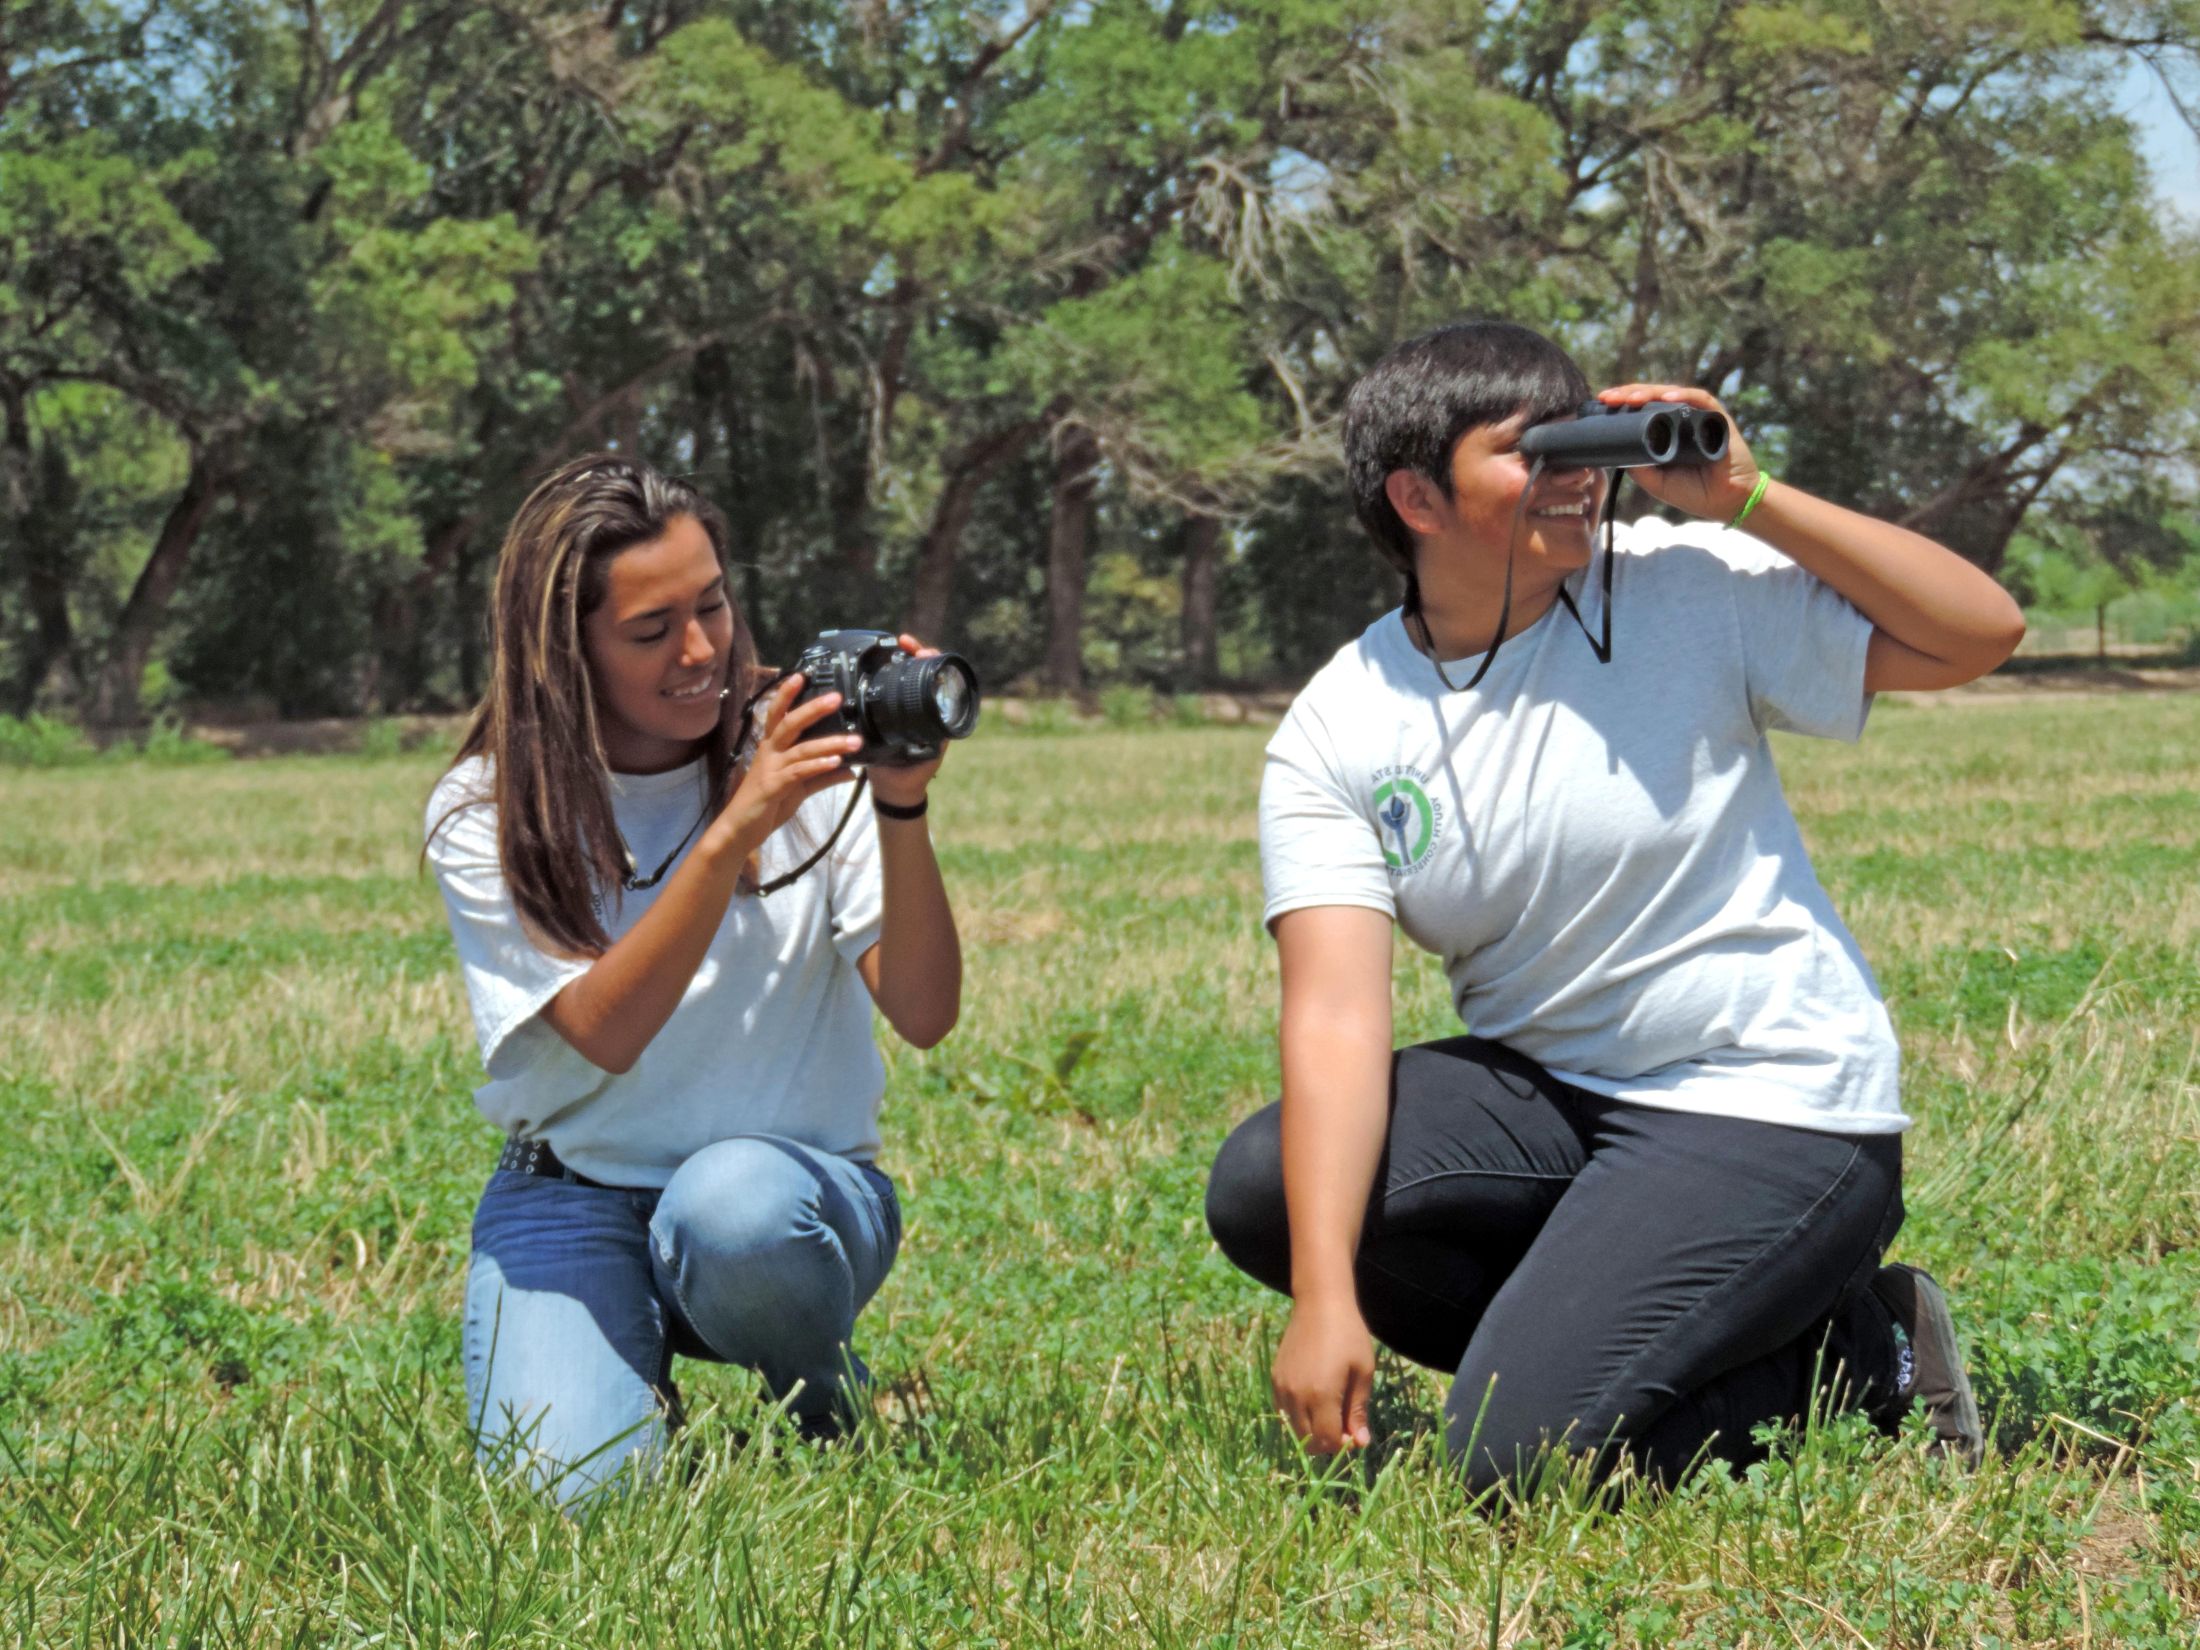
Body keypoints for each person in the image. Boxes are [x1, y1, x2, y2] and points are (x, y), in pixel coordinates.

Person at [1203, 322, 2023, 1495]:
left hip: (1769, 1100)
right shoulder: (1340, 726)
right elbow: (1335, 1019)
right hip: (1555, 1098)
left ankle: (1862, 1358)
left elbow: (1977, 631)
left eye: (1583, 440)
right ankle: (1661, 1344)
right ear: (1416, 498)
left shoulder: (1683, 591)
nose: (1576, 474)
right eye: (1529, 451)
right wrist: (1327, 1296)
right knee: (1265, 1186)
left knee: (1512, 1466)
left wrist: (1749, 497)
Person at [424, 454, 962, 1506]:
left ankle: (816, 1393)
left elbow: (927, 1013)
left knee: (733, 1209)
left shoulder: (803, 747)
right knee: (572, 1492)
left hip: (782, 1200)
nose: (702, 648)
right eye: (649, 629)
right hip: (573, 1196)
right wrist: (735, 829)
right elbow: (603, 1030)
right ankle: (626, 1378)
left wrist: (901, 806)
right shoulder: (487, 808)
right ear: (562, 652)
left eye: (712, 603)